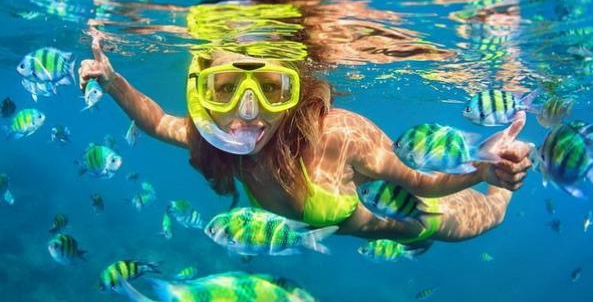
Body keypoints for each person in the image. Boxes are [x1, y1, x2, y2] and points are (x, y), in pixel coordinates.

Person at [79, 36, 532, 246]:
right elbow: (158, 122)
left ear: (295, 93)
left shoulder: (338, 135)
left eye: (272, 89)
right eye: (225, 89)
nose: (247, 111)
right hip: (372, 231)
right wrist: (113, 81)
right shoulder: (216, 143)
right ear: (202, 93)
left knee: (489, 214)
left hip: (421, 219)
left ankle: (507, 170)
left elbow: (422, 181)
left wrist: (484, 170)